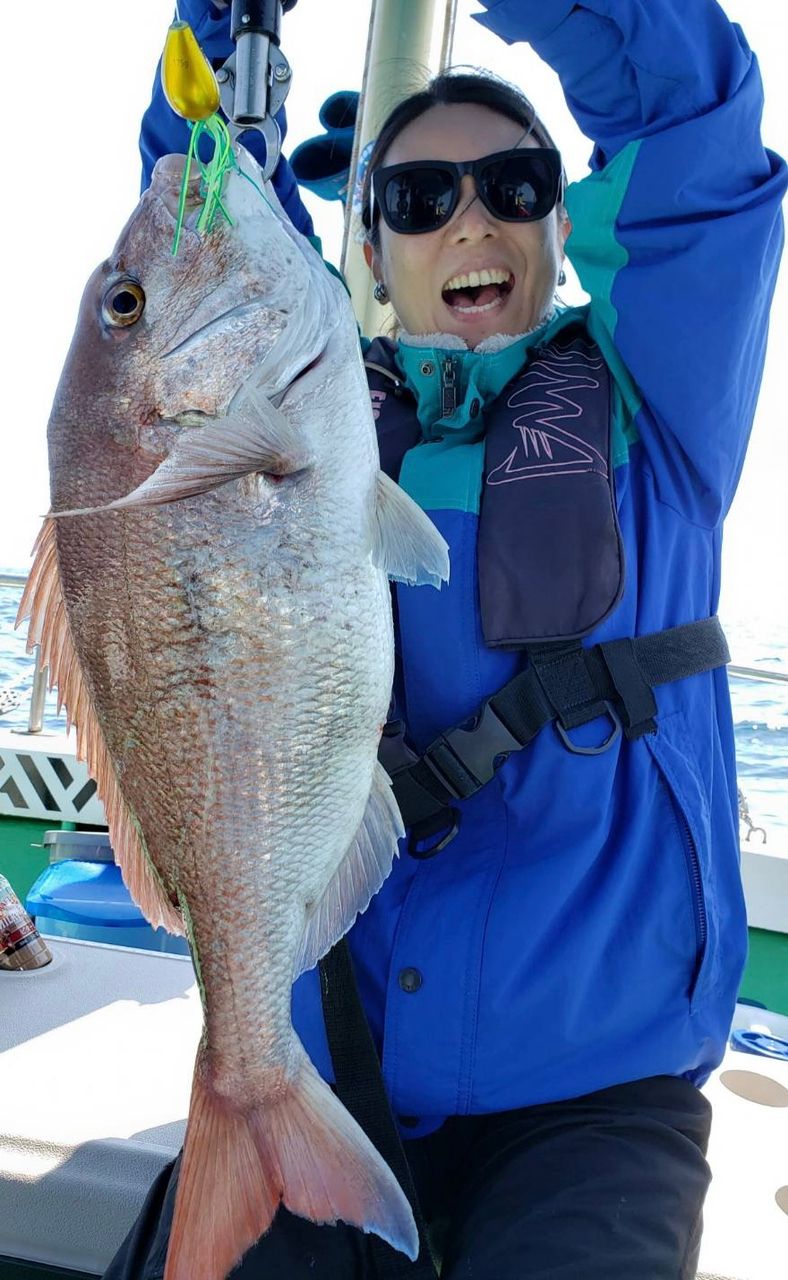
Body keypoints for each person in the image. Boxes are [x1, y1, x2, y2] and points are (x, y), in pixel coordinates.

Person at [104, 2, 787, 1277]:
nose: (468, 219)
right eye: (418, 198)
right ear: (365, 243)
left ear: (557, 226)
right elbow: (189, 229)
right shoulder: (288, 420)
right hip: (322, 1062)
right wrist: (219, 30)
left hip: (592, 1109)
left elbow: (689, 116)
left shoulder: (662, 416)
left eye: (513, 186)